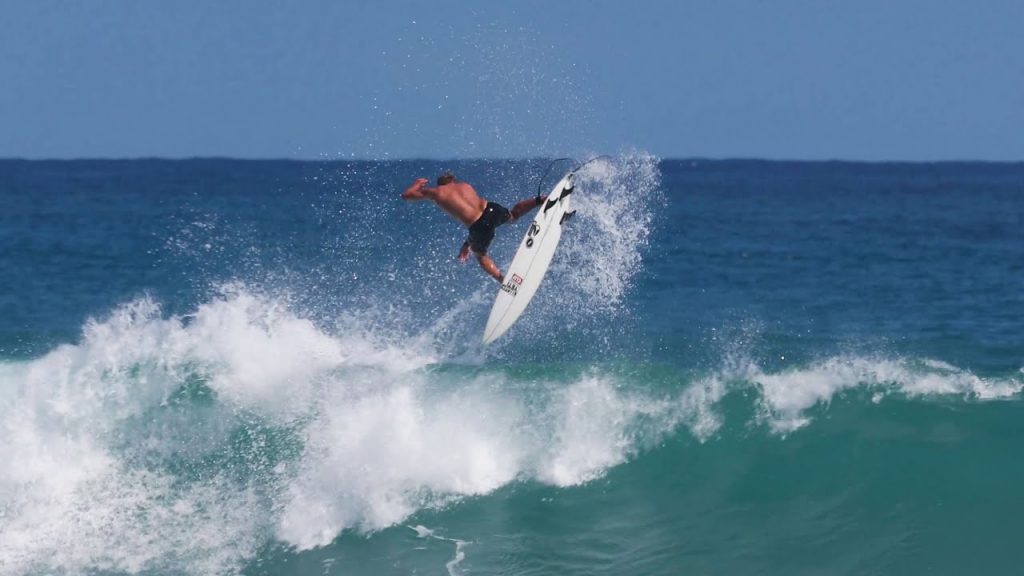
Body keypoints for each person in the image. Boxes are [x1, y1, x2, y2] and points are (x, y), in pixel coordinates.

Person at [401, 170, 546, 283]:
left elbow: (406, 195)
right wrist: (467, 243)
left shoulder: (436, 192)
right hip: (491, 209)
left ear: (440, 184)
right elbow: (477, 214)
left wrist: (417, 183)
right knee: (513, 215)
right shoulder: (464, 185)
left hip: (478, 225)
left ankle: (505, 281)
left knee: (481, 256)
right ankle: (540, 200)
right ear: (453, 180)